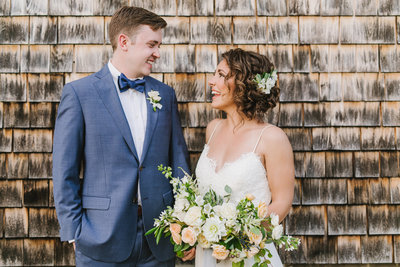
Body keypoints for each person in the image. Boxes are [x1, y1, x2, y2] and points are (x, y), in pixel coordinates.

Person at [52, 6, 191, 266]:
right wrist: (74, 231)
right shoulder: (79, 94)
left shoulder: (165, 94)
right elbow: (64, 170)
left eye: (159, 45)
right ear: (124, 42)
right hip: (100, 238)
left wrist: (184, 224)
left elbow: (179, 162)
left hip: (159, 238)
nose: (157, 53)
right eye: (152, 44)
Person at [194, 48, 295, 267]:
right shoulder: (212, 129)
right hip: (208, 255)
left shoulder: (271, 138)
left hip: (248, 255)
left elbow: (282, 203)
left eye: (221, 75)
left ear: (244, 84)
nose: (212, 81)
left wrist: (236, 238)